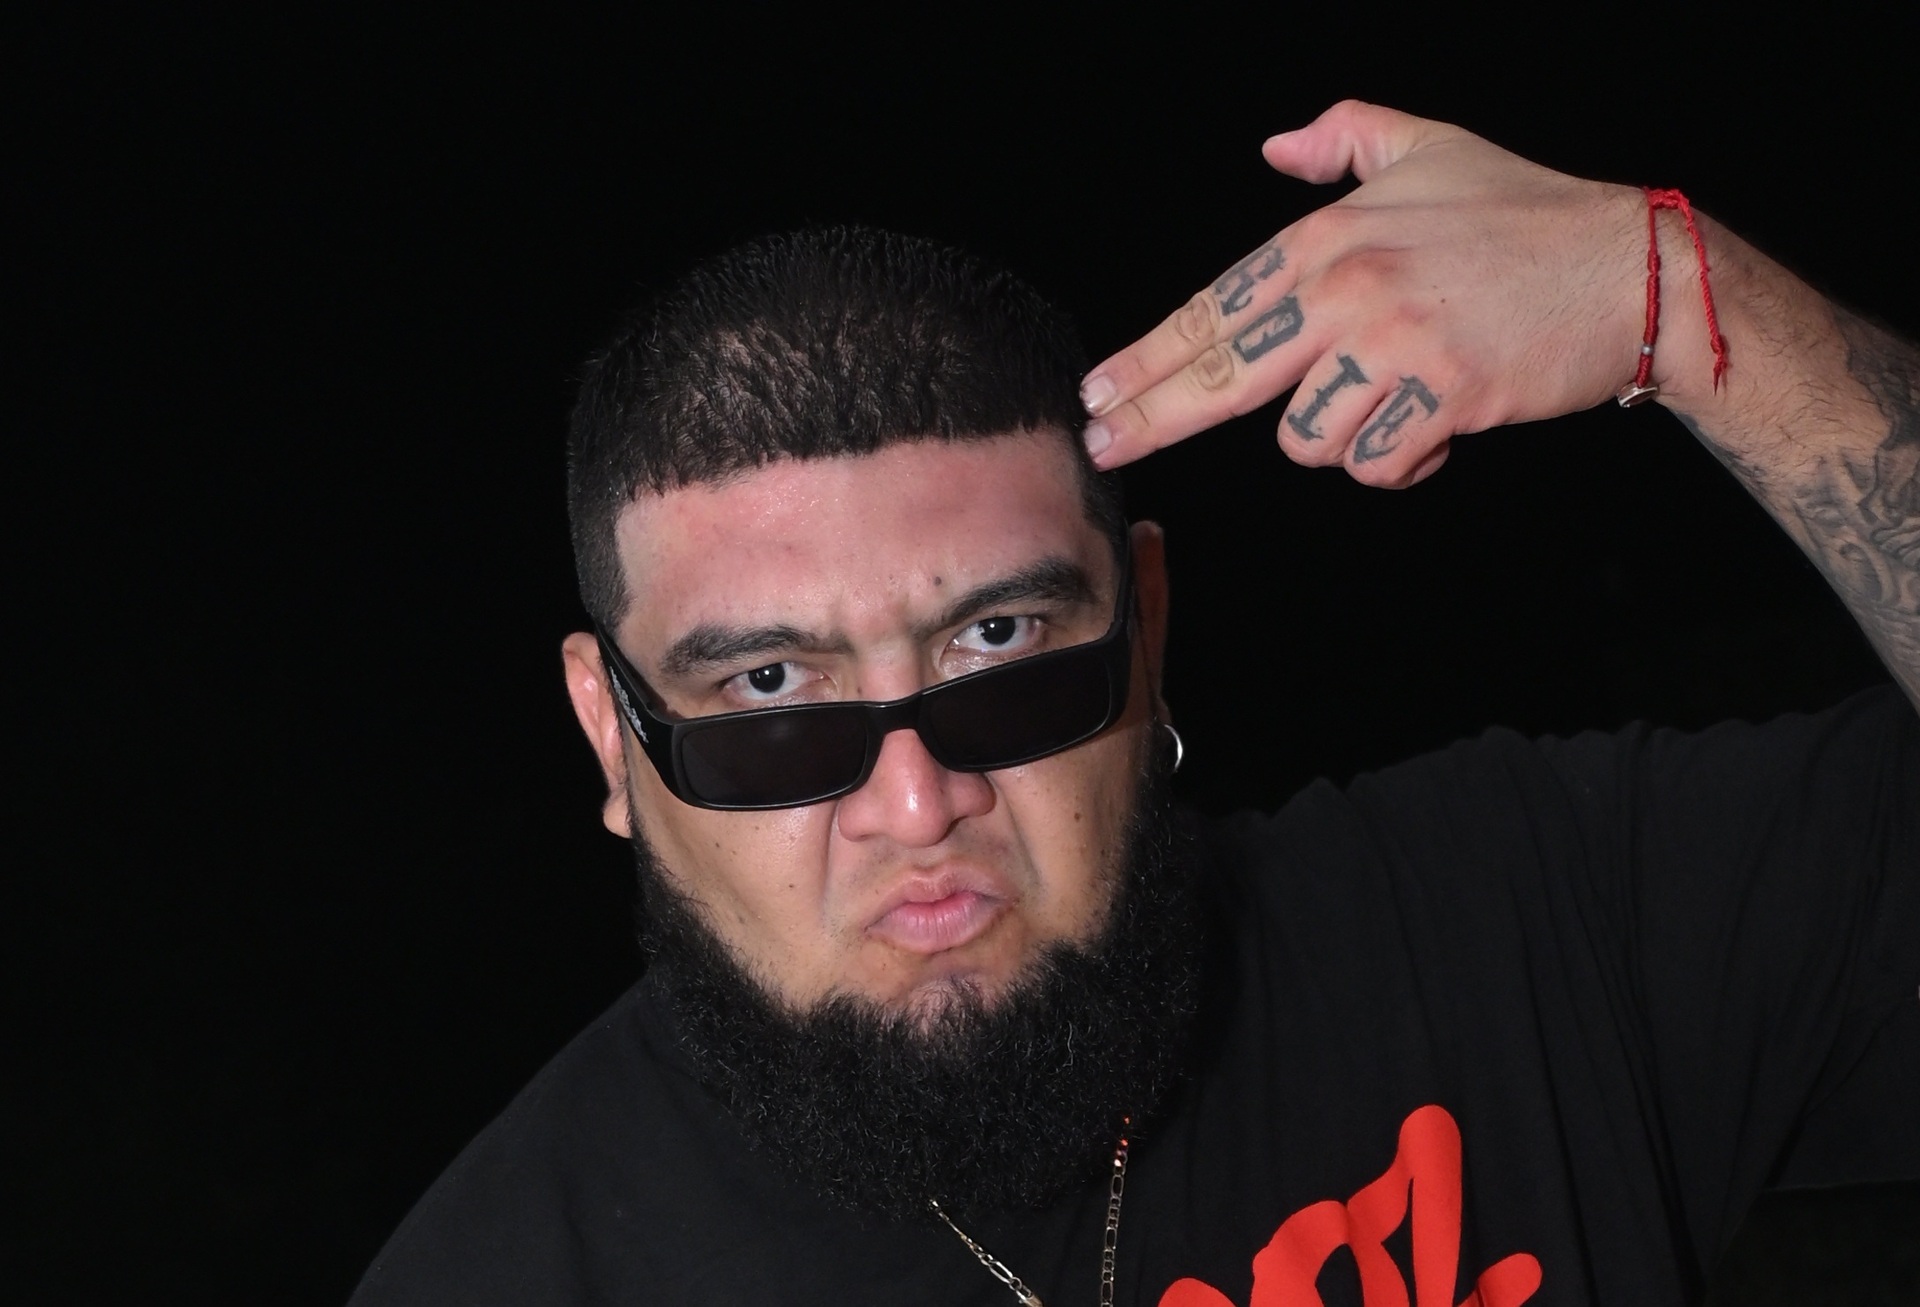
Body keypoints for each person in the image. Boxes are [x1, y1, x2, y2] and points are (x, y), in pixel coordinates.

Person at [349, 102, 1917, 1306]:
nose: (917, 802)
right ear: (610, 732)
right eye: (770, 690)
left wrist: (1700, 311)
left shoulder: (1524, 923)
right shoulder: (501, 1277)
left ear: (1144, 625)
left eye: (998, 645)